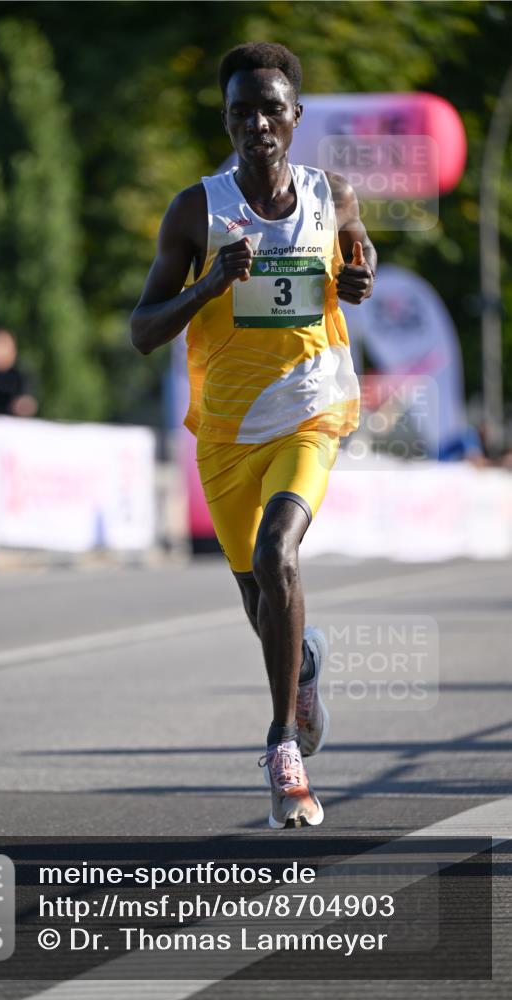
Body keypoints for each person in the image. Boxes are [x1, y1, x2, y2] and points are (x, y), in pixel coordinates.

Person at [131, 42, 376, 828]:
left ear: (294, 118)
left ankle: (282, 751)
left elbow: (356, 244)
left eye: (271, 109)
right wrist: (209, 283)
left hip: (311, 407)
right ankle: (300, 668)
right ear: (227, 120)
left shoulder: (327, 194)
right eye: (242, 111)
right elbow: (142, 330)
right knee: (258, 597)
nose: (257, 125)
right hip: (227, 432)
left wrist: (361, 266)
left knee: (279, 556)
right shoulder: (195, 212)